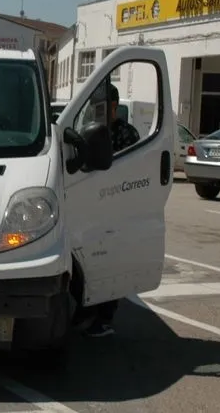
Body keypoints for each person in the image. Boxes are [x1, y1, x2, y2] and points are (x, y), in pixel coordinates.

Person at [85, 82, 140, 338]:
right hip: (93, 207)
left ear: (114, 107)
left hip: (117, 207)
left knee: (110, 265)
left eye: (101, 106)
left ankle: (105, 318)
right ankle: (90, 312)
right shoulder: (92, 131)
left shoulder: (125, 134)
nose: (97, 111)